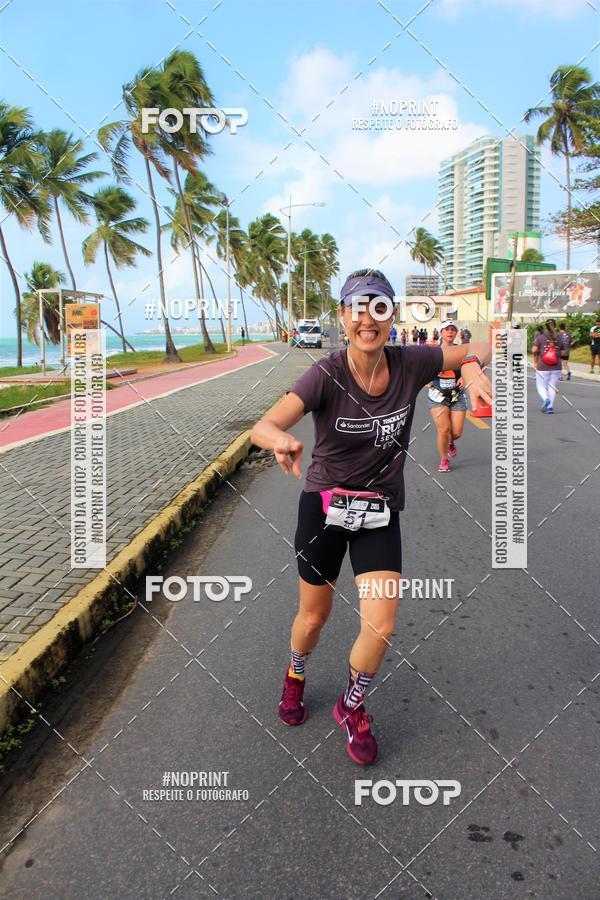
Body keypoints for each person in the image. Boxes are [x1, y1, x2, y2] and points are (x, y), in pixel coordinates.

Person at [250, 268, 492, 765]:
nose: (368, 318)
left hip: (380, 512)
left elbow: (480, 346)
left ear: (391, 315)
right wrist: (281, 440)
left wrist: (470, 370)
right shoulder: (325, 374)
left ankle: (350, 704)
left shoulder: (411, 361)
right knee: (314, 617)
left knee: (381, 626)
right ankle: (296, 673)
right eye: (358, 307)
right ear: (343, 317)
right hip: (323, 509)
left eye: (379, 307)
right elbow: (265, 424)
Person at [428, 321, 468, 472]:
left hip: (457, 394)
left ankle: (450, 442)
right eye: (446, 330)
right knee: (443, 429)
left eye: (453, 330)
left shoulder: (462, 350)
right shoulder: (433, 352)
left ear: (456, 333)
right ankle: (444, 459)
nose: (450, 332)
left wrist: (464, 377)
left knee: (456, 432)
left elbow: (474, 365)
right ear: (441, 332)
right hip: (437, 395)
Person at [532, 318, 562, 413]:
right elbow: (564, 351)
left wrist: (535, 360)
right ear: (555, 325)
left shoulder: (540, 337)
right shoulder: (560, 337)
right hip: (557, 366)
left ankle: (546, 399)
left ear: (546, 326)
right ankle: (550, 408)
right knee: (552, 385)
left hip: (543, 366)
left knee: (541, 386)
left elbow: (534, 350)